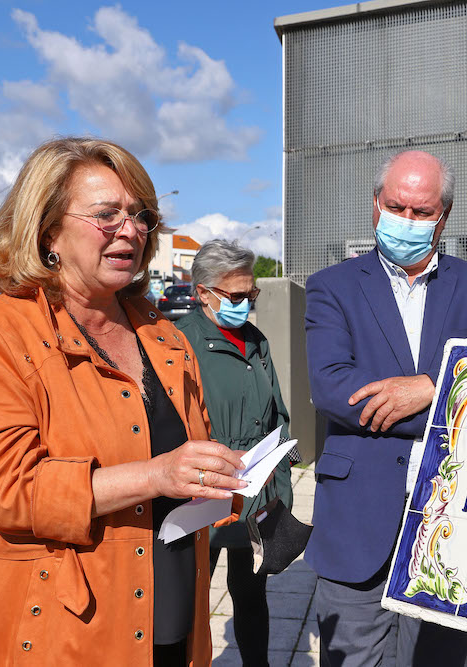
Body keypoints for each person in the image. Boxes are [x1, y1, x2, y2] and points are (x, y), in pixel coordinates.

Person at [0, 138, 247, 666]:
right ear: (47, 230)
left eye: (139, 215)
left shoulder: (164, 337)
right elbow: (8, 491)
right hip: (61, 637)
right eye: (106, 215)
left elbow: (186, 455)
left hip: (173, 627)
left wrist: (220, 481)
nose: (130, 230)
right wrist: (156, 476)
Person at [305, 150, 467, 666]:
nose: (406, 220)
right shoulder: (332, 285)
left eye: (421, 212)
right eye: (396, 205)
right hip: (360, 512)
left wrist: (431, 387)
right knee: (353, 655)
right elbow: (335, 388)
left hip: (453, 514)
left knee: (437, 659)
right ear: (375, 205)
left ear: (444, 217)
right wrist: (461, 399)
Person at [175, 239, 292, 667]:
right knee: (187, 603)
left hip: (254, 498)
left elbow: (279, 416)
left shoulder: (256, 342)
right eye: (236, 296)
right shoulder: (178, 342)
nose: (244, 305)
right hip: (200, 501)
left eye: (251, 295)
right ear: (204, 293)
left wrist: (282, 484)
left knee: (251, 600)